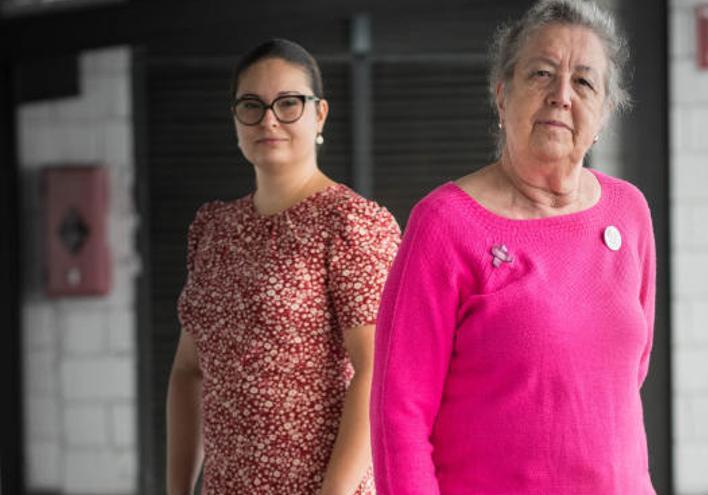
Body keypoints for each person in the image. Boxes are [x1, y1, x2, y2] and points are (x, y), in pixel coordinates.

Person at [370, 1, 656, 493]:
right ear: (502, 93)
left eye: (584, 82)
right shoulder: (445, 223)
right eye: (541, 74)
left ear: (605, 112)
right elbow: (399, 414)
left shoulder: (628, 211)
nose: (561, 96)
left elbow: (628, 375)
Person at [167, 38, 399, 495]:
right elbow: (187, 370)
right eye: (251, 105)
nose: (268, 119)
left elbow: (378, 371)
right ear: (235, 119)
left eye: (288, 103)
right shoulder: (213, 229)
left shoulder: (352, 224)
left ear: (320, 115)